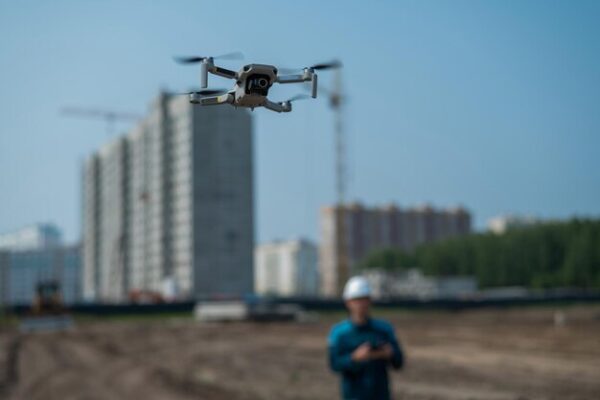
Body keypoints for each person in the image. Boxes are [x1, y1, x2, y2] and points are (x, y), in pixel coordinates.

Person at [328, 276, 404, 400]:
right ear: (348, 302)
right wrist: (354, 358)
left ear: (369, 301)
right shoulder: (339, 333)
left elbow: (399, 362)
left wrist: (389, 353)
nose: (360, 304)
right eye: (356, 300)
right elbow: (334, 364)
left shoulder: (384, 329)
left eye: (364, 299)